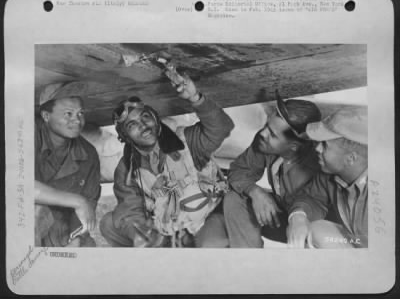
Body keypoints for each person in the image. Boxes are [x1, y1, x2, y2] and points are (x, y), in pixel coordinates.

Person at [99, 73, 234, 247]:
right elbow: (130, 207)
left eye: (145, 117)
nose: (143, 125)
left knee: (209, 249)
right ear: (125, 137)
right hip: (171, 230)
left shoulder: (187, 141)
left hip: (210, 219)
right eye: (132, 125)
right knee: (109, 223)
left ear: (155, 118)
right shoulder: (127, 168)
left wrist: (195, 98)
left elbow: (221, 128)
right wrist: (141, 234)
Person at [222, 91, 322, 248]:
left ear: (294, 147)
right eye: (266, 126)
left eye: (272, 134)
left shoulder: (319, 163)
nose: (263, 133)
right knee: (235, 198)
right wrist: (255, 192)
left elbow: (317, 205)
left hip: (310, 225)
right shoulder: (264, 141)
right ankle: (248, 261)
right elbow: (239, 170)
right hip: (281, 215)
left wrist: (299, 218)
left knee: (318, 233)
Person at [287, 106, 368, 248]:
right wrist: (298, 217)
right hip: (358, 244)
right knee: (315, 231)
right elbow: (311, 198)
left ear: (350, 158)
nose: (317, 149)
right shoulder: (329, 174)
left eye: (324, 145)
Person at [35, 82, 101, 247]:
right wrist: (78, 201)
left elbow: (89, 203)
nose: (77, 121)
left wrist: (77, 237)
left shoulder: (88, 153)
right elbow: (19, 187)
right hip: (22, 222)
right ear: (46, 116)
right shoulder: (27, 134)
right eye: (68, 114)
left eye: (80, 113)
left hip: (62, 227)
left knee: (86, 249)